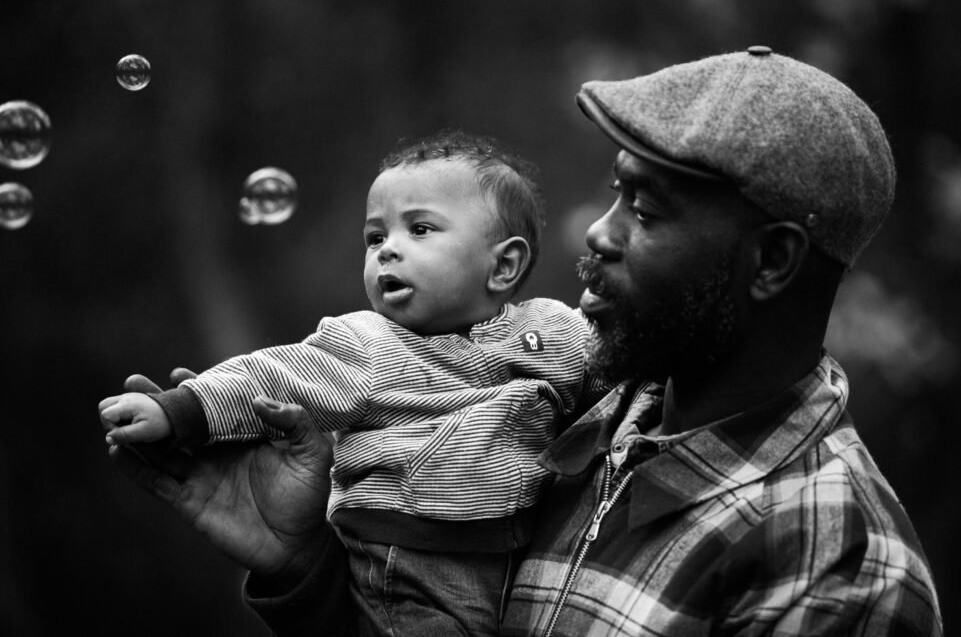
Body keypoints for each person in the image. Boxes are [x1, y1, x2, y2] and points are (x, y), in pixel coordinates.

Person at [107, 47, 943, 635]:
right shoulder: (568, 414)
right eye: (614, 193)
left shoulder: (835, 565)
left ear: (772, 261)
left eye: (646, 211)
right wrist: (304, 567)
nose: (598, 232)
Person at [99, 129, 609, 635]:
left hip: (513, 551)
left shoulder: (552, 330)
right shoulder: (368, 343)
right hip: (407, 563)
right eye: (375, 237)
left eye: (420, 229)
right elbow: (274, 375)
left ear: (503, 265)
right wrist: (181, 411)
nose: (387, 250)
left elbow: (614, 376)